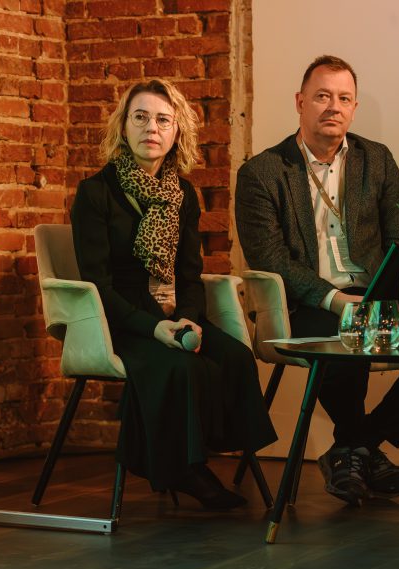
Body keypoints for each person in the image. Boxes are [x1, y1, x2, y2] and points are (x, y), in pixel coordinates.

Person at [236, 55, 399, 507]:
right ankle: (362, 451)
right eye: (322, 96)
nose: (333, 106)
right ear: (300, 102)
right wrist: (336, 300)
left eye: (343, 98)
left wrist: (395, 298)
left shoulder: (377, 160)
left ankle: (357, 446)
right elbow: (270, 258)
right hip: (307, 305)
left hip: (375, 299)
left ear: (354, 108)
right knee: (346, 343)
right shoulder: (262, 172)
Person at [71, 79, 277, 510]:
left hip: (172, 314)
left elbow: (189, 274)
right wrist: (154, 328)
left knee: (236, 357)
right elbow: (98, 286)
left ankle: (214, 454)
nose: (152, 128)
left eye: (163, 120)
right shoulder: (96, 193)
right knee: (178, 366)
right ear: (123, 126)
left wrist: (188, 318)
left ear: (176, 131)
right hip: (121, 321)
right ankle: (185, 470)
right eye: (141, 117)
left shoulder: (183, 194)